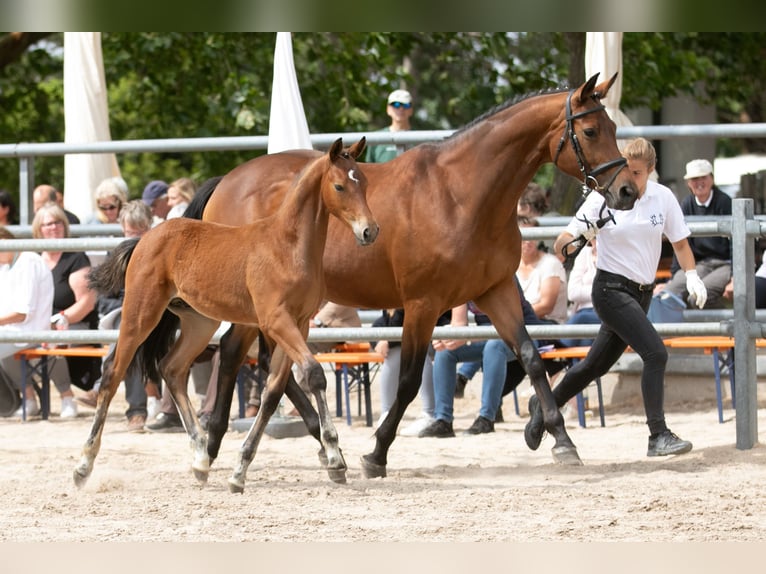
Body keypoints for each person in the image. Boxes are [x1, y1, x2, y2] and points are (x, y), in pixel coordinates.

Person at [526, 137, 707, 458]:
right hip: (610, 290)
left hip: (642, 293)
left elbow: (680, 244)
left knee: (595, 366)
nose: (631, 179)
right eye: (627, 170)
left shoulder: (663, 198)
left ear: (651, 171)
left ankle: (545, 403)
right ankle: (658, 434)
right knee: (656, 354)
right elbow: (562, 243)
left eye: (637, 173)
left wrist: (692, 276)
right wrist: (585, 234)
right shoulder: (603, 196)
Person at [78, 201, 160, 431]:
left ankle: (102, 388)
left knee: (132, 337)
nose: (133, 236)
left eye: (139, 231)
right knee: (131, 336)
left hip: (159, 313)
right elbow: (104, 296)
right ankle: (135, 412)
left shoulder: (160, 251)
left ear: (149, 227)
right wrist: (127, 306)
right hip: (127, 315)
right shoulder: (118, 252)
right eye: (129, 231)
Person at [33, 203, 101, 418]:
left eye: (57, 222)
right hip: (36, 323)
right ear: (38, 229)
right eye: (47, 224)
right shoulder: (33, 258)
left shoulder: (76, 257)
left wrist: (58, 320)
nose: (53, 227)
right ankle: (24, 398)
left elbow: (86, 303)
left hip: (73, 322)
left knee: (51, 341)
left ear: (64, 226)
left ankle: (66, 397)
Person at [658, 158, 732, 309]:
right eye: (694, 179)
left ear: (711, 178)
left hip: (724, 264)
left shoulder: (725, 202)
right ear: (688, 183)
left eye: (703, 177)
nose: (699, 182)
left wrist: (735, 276)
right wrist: (673, 278)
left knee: (698, 297)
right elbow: (679, 241)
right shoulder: (686, 204)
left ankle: (732, 325)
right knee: (666, 295)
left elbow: (735, 242)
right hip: (697, 264)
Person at [0, 226, 54, 417]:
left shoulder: (28, 260)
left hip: (29, 330)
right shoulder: (7, 267)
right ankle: (27, 398)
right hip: (12, 331)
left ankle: (24, 399)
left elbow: (23, 313)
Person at [373, 308, 448, 436]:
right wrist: (380, 341)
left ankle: (429, 413)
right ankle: (386, 412)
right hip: (422, 334)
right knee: (394, 353)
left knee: (418, 352)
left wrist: (387, 341)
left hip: (438, 334)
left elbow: (406, 321)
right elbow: (380, 323)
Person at [517, 216, 568, 324]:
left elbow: (546, 306)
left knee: (497, 340)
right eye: (524, 236)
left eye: (532, 236)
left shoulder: (551, 263)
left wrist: (512, 318)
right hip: (518, 323)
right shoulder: (510, 265)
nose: (528, 241)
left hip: (546, 325)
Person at [559, 239, 600, 348]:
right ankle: (572, 363)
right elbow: (572, 293)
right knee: (584, 340)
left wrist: (585, 291)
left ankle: (559, 350)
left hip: (607, 312)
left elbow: (612, 292)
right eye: (594, 236)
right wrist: (599, 291)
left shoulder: (616, 255)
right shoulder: (584, 254)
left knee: (582, 319)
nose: (596, 239)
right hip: (584, 312)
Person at [365, 88, 414, 163]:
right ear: (388, 109)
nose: (401, 109)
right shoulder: (375, 138)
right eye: (396, 104)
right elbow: (368, 169)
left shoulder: (422, 139)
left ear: (411, 110)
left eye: (406, 105)